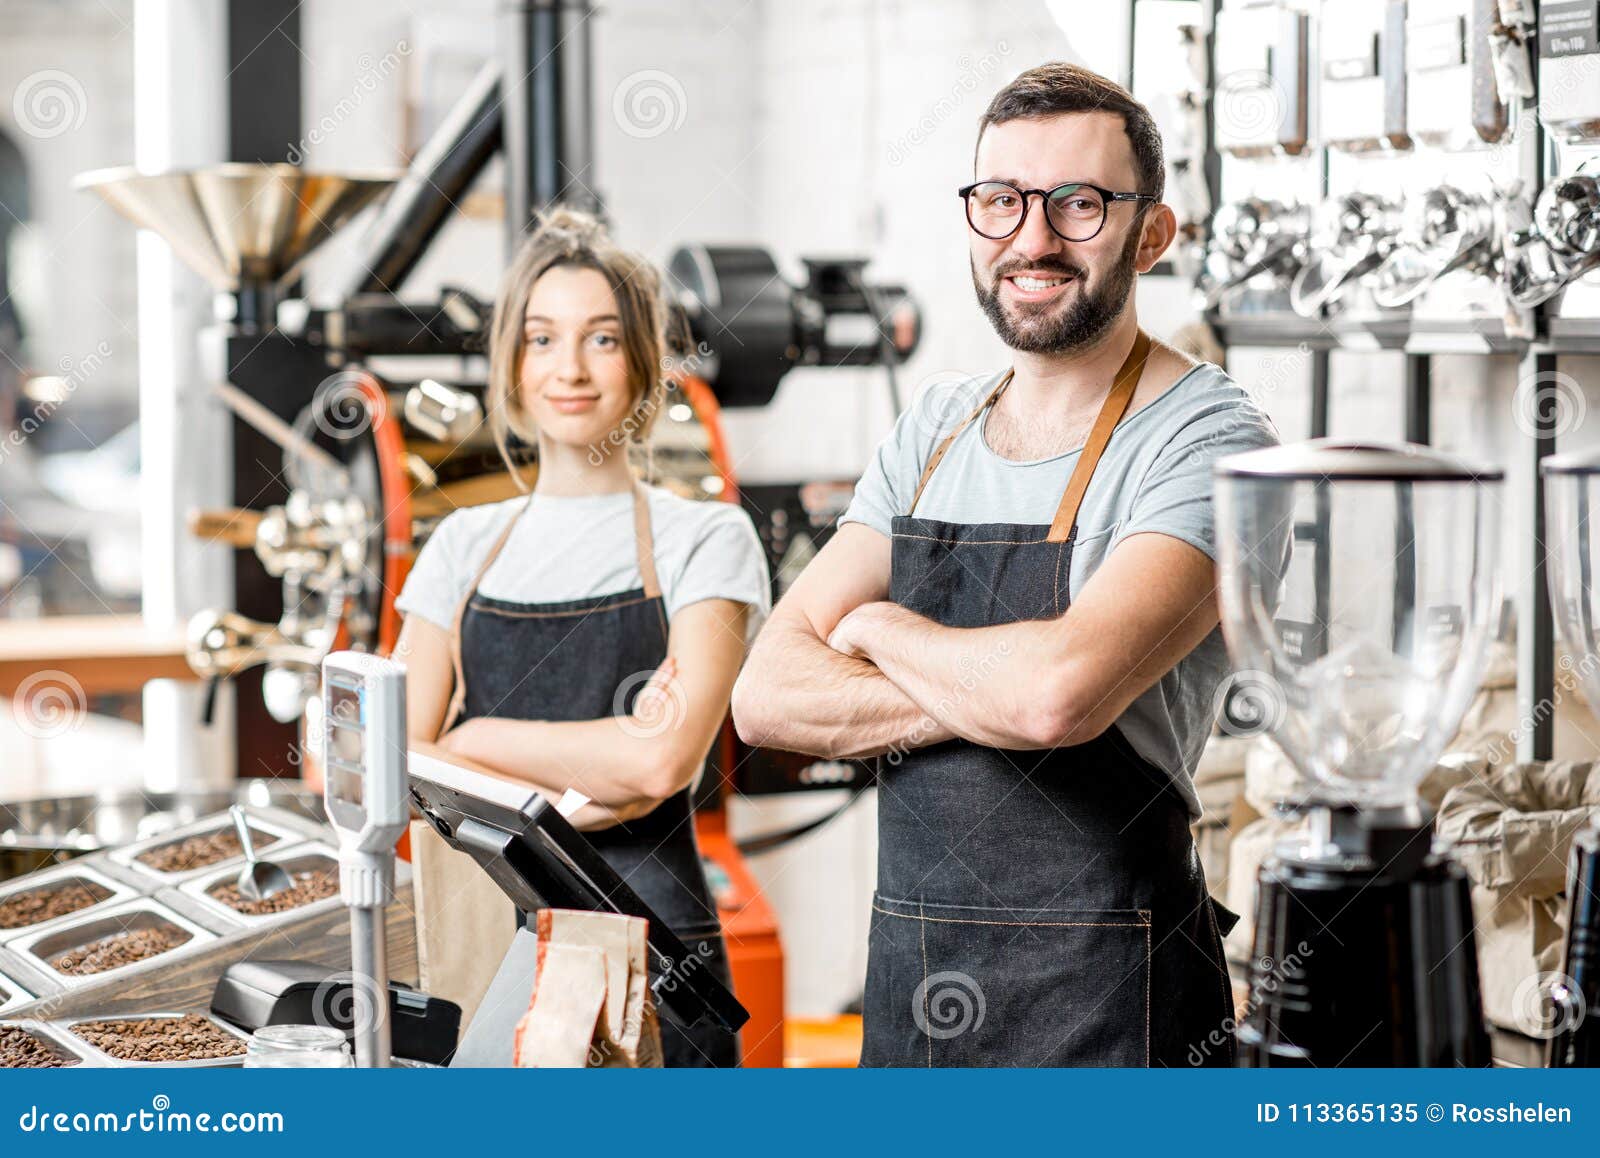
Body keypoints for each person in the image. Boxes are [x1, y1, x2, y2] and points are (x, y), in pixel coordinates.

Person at [732, 62, 1280, 1067]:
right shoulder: (934, 428)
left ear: (1150, 233)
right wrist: (1005, 680)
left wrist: (875, 631)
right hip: (914, 997)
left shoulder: (1207, 441)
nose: (1032, 240)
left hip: (1115, 1016)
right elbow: (765, 700)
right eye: (1001, 201)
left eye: (1077, 205)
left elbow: (1054, 703)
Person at [395, 208, 771, 1067]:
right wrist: (580, 774)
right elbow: (401, 762)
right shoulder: (459, 543)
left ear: (643, 362)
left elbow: (657, 762)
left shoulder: (705, 539)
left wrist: (478, 743)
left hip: (656, 956)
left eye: (602, 340)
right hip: (496, 952)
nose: (569, 368)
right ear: (513, 365)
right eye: (542, 339)